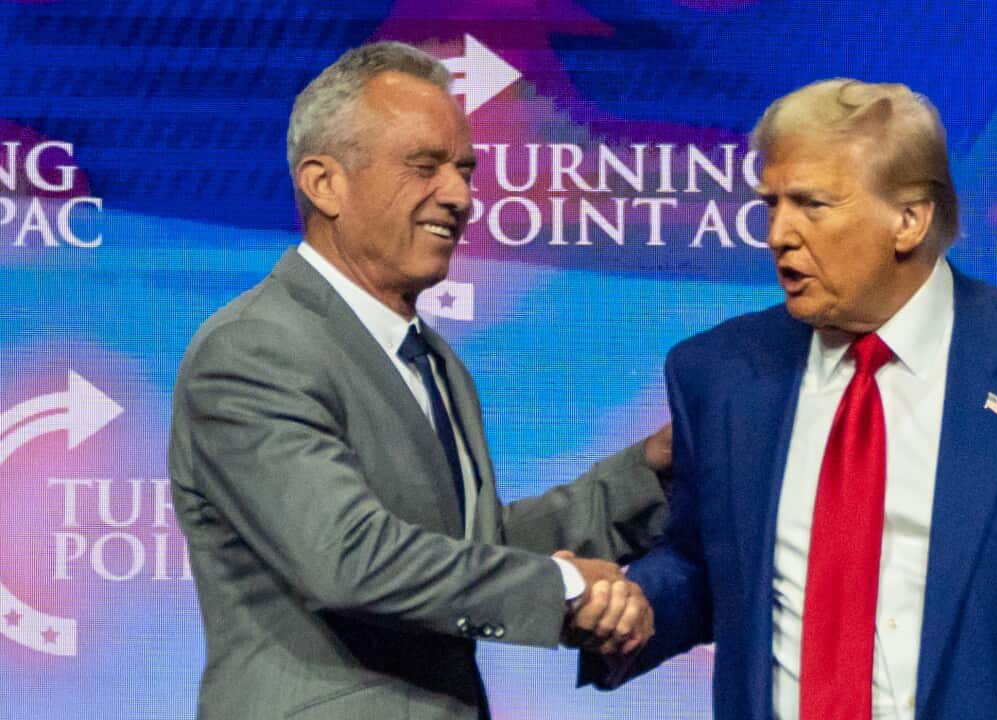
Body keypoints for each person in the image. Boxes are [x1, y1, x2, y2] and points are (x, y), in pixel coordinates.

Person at [583, 79, 997, 719]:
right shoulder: (718, 374)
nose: (777, 235)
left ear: (909, 219)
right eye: (771, 204)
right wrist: (636, 606)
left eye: (811, 205)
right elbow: (704, 564)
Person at [169, 42, 670, 719]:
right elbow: (349, 557)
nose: (460, 196)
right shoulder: (255, 348)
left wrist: (650, 476)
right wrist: (562, 587)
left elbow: (466, 556)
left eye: (464, 169)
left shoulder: (433, 360)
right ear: (325, 183)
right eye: (424, 166)